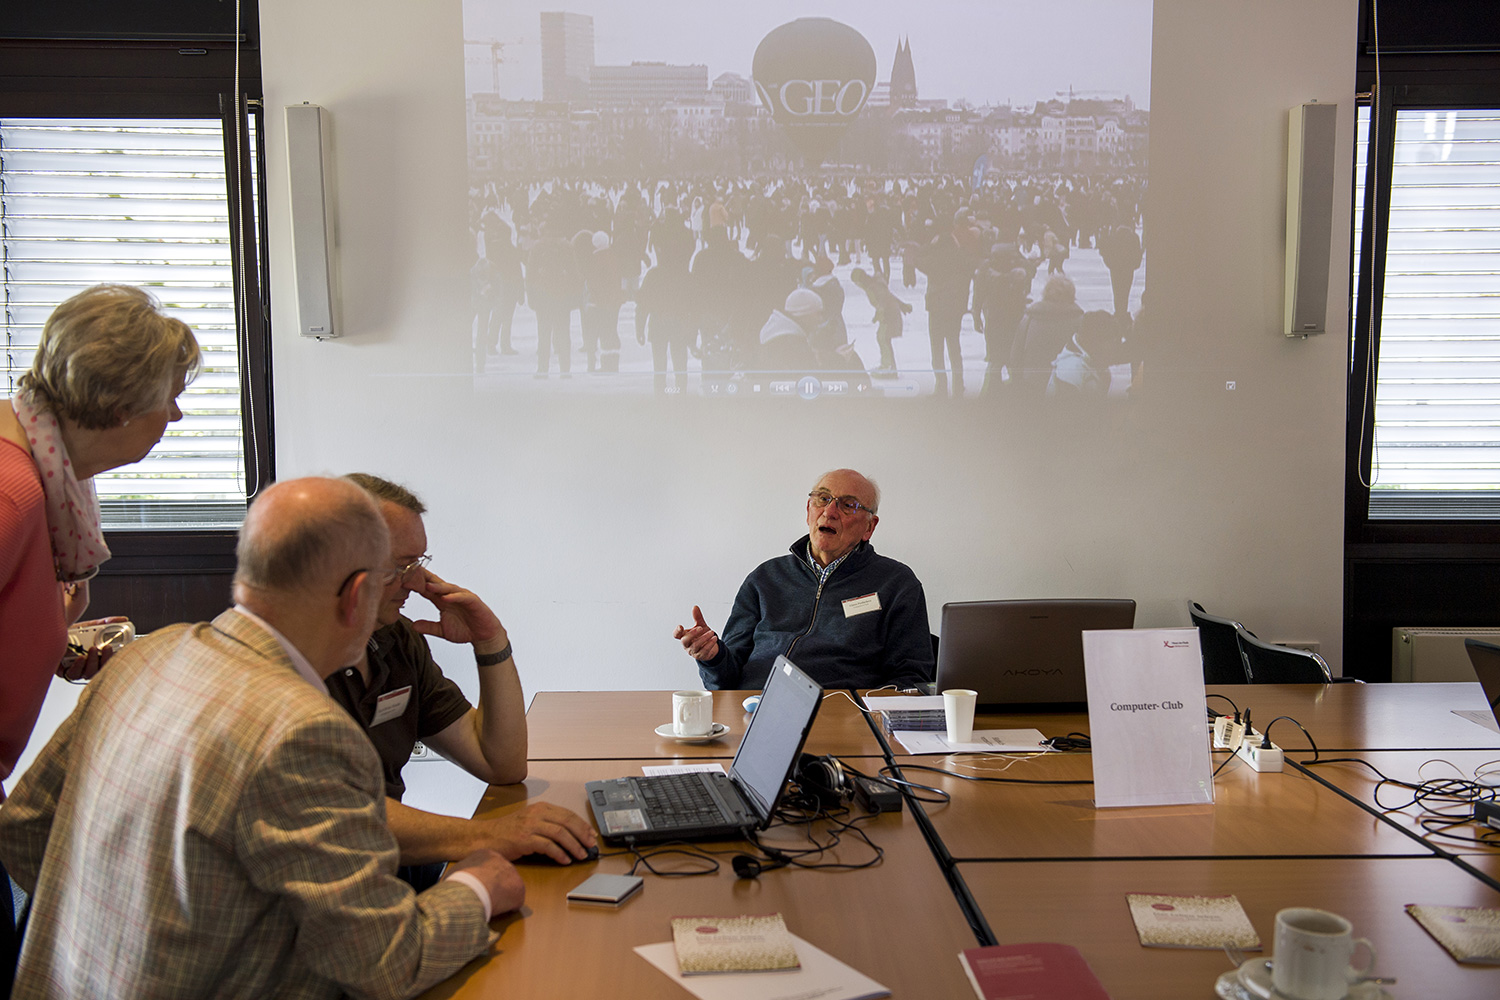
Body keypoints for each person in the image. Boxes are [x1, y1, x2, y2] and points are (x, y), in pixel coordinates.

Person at [0, 477, 519, 1000]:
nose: (415, 583)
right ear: (357, 594)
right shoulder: (305, 731)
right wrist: (478, 887)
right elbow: (386, 963)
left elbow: (22, 831)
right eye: (401, 571)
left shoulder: (142, 659)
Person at [334, 474, 595, 884]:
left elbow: (501, 762)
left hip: (390, 863)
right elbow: (339, 814)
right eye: (400, 566)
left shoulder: (396, 640)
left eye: (418, 563)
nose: (416, 582)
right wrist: (487, 835)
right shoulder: (297, 661)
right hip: (341, 873)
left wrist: (490, 640)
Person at [2, 285, 199, 794]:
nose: (174, 417)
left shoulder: (50, 474)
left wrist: (50, 640)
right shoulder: (12, 491)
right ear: (120, 407)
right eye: (170, 397)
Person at [674, 469, 934, 691]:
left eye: (848, 505)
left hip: (840, 717)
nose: (830, 511)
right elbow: (725, 680)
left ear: (869, 527)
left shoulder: (896, 584)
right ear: (808, 510)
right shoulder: (765, 578)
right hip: (753, 709)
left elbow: (911, 680)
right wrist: (712, 657)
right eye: (823, 499)